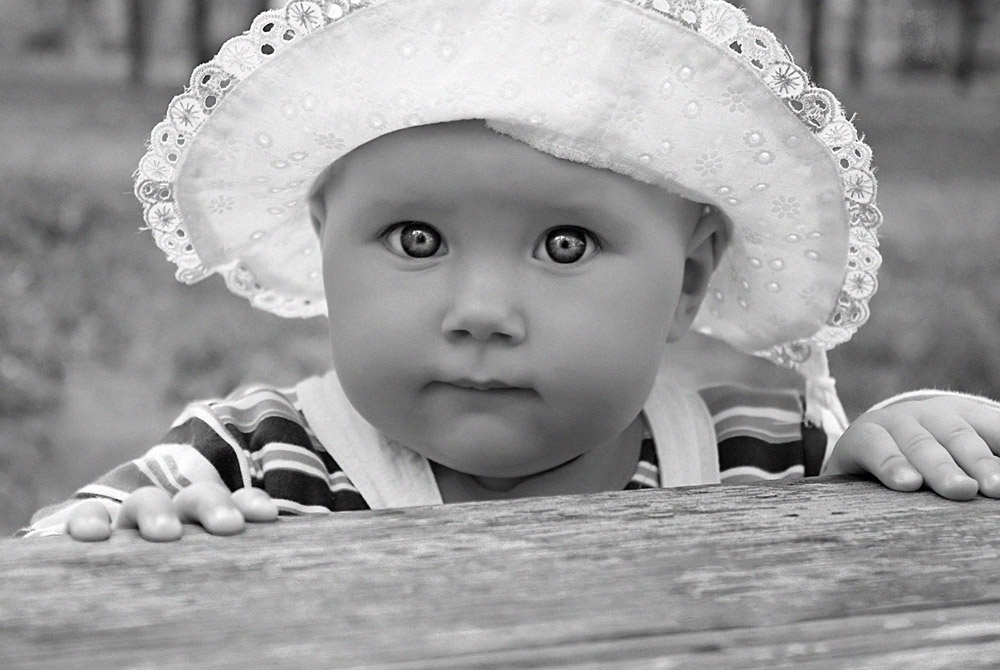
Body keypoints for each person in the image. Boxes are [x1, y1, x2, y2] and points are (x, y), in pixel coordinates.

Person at [19, 0, 1000, 541]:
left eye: (564, 245)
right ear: (324, 239)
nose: (481, 311)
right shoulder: (253, 457)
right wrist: (136, 530)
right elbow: (55, 561)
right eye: (414, 239)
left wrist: (896, 447)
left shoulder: (766, 451)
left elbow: (865, 552)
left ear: (691, 278)